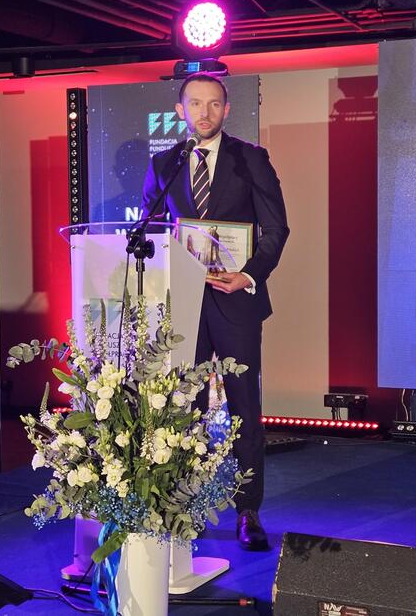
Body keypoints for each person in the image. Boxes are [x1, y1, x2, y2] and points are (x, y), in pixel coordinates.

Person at [141, 72, 289, 550]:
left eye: (213, 104)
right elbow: (150, 229)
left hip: (236, 300)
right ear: (180, 111)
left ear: (226, 110)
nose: (204, 113)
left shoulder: (250, 158)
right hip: (183, 302)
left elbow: (276, 229)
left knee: (244, 406)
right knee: (186, 406)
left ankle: (248, 512)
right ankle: (187, 504)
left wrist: (247, 274)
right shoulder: (164, 164)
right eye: (195, 104)